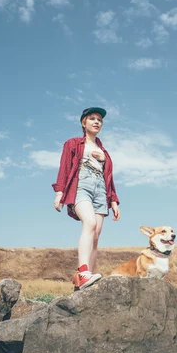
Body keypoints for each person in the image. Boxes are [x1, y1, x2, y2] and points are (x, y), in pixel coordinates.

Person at [52, 107, 121, 290]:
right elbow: (65, 167)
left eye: (99, 119)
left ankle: (87, 277)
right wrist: (59, 192)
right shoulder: (73, 143)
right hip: (81, 185)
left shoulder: (104, 152)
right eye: (92, 118)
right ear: (84, 122)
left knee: (96, 234)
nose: (97, 122)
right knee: (89, 223)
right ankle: (83, 273)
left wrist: (113, 200)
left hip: (101, 190)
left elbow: (108, 178)